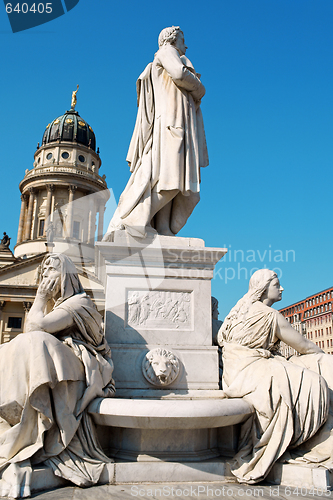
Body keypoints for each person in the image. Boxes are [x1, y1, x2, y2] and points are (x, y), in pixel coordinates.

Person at [0, 253, 115, 498]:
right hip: (63, 362)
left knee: (36, 341)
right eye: (43, 273)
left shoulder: (79, 303)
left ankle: (29, 433)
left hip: (84, 368)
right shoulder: (59, 306)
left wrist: (39, 298)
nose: (44, 279)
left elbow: (36, 326)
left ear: (65, 276)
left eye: (51, 272)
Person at [218, 269, 333, 484]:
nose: (281, 288)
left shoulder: (237, 310)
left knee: (312, 370)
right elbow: (304, 346)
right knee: (315, 381)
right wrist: (322, 358)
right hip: (253, 368)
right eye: (276, 284)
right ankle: (308, 442)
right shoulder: (270, 315)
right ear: (263, 288)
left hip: (234, 371)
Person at [104, 26, 208, 239]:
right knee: (172, 177)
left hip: (176, 123)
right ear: (171, 39)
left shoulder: (172, 55)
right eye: (182, 39)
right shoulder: (167, 51)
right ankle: (133, 220)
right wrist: (200, 87)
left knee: (172, 179)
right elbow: (179, 74)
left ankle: (163, 228)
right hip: (172, 123)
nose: (185, 45)